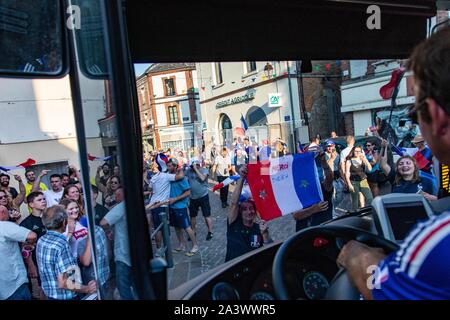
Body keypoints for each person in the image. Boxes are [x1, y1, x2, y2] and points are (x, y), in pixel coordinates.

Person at [337, 26, 450, 300]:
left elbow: (378, 286)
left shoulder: (435, 244)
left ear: (436, 117)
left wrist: (356, 257)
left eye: (415, 114)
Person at [36, 205, 96, 300]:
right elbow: (65, 282)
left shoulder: (41, 240)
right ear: (64, 222)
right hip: (65, 297)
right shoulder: (61, 244)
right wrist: (87, 289)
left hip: (51, 295)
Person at [225, 164, 272, 262]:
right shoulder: (233, 224)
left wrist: (265, 234)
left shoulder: (259, 228)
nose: (249, 211)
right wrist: (242, 178)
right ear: (239, 212)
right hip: (232, 270)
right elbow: (234, 203)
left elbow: (269, 251)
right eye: (244, 209)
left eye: (251, 208)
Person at [145, 153, 184, 253]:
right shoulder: (167, 176)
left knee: (157, 228)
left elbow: (150, 189)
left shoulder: (154, 176)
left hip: (153, 205)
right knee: (163, 228)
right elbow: (180, 176)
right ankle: (166, 251)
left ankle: (159, 249)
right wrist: (180, 168)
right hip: (162, 206)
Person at [100, 187, 134, 300]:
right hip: (135, 251)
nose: (115, 197)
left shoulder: (120, 207)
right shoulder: (134, 204)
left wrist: (108, 229)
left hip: (123, 254)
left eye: (117, 195)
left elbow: (103, 222)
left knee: (123, 285)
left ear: (121, 195)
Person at [0, 205, 37, 300]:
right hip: (14, 284)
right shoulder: (4, 226)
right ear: (3, 212)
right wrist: (30, 245)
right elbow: (32, 235)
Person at [293, 151, 334, 231]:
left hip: (324, 229)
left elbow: (330, 178)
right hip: (304, 232)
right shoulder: (297, 193)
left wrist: (323, 162)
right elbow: (296, 215)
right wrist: (313, 209)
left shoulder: (321, 189)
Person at [166, 158, 199, 256]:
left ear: (175, 166)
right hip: (172, 206)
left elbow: (188, 192)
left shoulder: (182, 178)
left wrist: (175, 199)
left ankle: (195, 245)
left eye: (170, 166)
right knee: (176, 227)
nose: (168, 168)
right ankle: (182, 245)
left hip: (180, 206)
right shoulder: (171, 177)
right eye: (168, 166)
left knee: (187, 227)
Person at [20, 192, 47, 299]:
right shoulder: (26, 223)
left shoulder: (49, 217)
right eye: (39, 200)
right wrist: (31, 265)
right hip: (38, 261)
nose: (43, 201)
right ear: (31, 204)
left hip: (52, 258)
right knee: (43, 289)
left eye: (44, 199)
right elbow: (25, 248)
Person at [187, 159, 213, 241]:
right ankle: (193, 232)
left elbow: (202, 178)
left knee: (206, 215)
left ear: (199, 164)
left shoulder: (204, 170)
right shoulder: (188, 171)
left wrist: (196, 169)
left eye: (197, 165)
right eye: (194, 165)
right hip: (192, 197)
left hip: (203, 196)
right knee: (192, 216)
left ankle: (210, 232)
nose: (195, 166)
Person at [345, 146, 374, 210]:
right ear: (353, 151)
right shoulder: (349, 161)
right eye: (356, 151)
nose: (357, 152)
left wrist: (365, 160)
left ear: (361, 152)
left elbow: (370, 169)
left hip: (363, 181)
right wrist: (349, 184)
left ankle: (373, 212)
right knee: (355, 200)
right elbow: (347, 173)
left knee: (370, 198)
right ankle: (355, 215)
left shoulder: (363, 159)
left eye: (359, 151)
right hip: (354, 182)